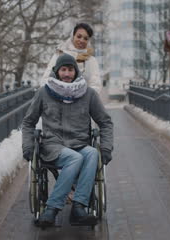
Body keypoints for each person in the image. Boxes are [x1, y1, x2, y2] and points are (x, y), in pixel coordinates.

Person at [22, 54, 113, 227]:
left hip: (79, 143)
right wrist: (27, 146)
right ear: (57, 72)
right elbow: (28, 122)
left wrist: (107, 148)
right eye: (63, 69)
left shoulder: (88, 94)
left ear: (75, 72)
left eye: (70, 70)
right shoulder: (44, 92)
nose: (67, 73)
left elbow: (105, 122)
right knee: (75, 158)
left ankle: (79, 206)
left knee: (92, 153)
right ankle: (51, 209)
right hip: (52, 146)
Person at [40, 23, 102, 94]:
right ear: (72, 36)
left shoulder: (91, 60)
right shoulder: (59, 55)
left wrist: (83, 99)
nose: (81, 40)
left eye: (85, 38)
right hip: (58, 101)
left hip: (82, 102)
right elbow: (45, 80)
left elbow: (96, 86)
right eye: (79, 36)